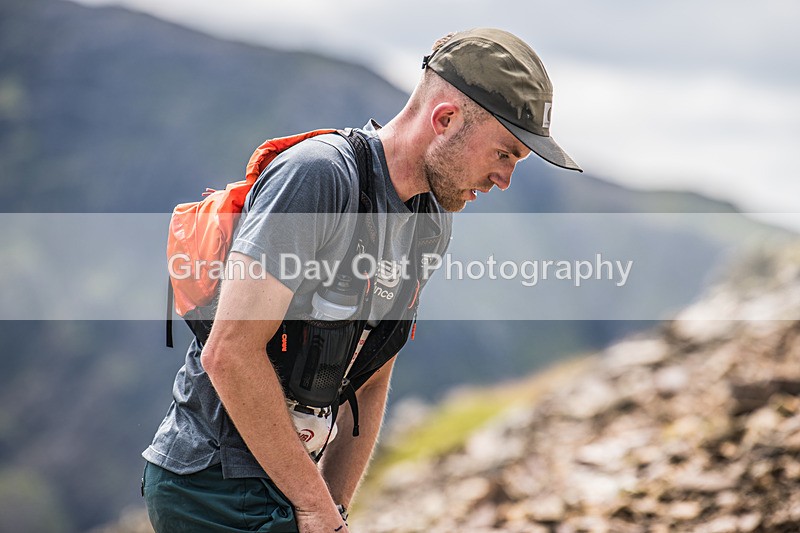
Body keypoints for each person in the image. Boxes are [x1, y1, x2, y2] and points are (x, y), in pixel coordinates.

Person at [142, 27, 581, 533]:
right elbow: (231, 350)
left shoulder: (431, 220)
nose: (504, 179)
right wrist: (314, 507)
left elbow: (371, 375)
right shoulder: (318, 177)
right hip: (211, 487)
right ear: (445, 119)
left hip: (289, 485)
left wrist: (335, 509)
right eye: (504, 153)